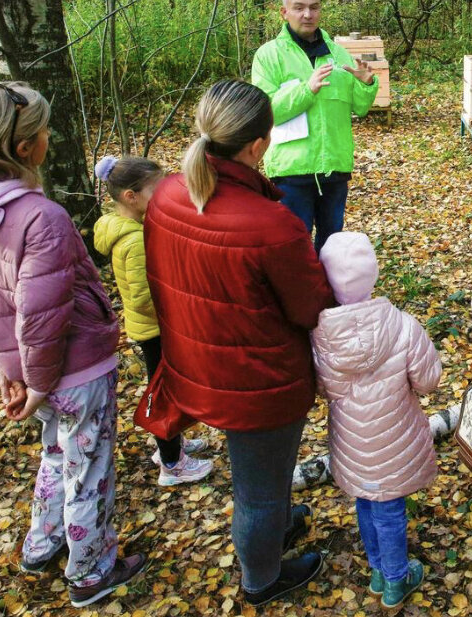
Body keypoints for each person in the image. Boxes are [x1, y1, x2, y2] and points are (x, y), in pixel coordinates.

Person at [0, 83, 146, 608]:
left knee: (57, 455)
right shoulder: (42, 218)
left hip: (36, 375)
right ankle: (92, 571)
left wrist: (3, 366)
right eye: (43, 130)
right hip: (71, 370)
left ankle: (42, 542)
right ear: (26, 146)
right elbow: (42, 316)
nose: (49, 137)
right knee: (89, 469)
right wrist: (30, 379)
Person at [144, 80, 336, 607]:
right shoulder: (270, 224)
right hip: (259, 381)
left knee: (259, 479)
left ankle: (272, 527)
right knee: (260, 491)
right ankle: (262, 578)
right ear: (257, 146)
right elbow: (311, 307)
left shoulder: (165, 193)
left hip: (197, 363)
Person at [312, 231, 442, 611]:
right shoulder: (402, 325)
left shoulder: (321, 334)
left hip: (352, 440)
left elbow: (324, 387)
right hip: (396, 436)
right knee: (390, 510)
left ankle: (378, 570)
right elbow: (428, 380)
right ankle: (396, 580)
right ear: (374, 274)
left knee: (367, 502)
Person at [93, 155, 212, 485]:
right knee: (166, 394)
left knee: (169, 389)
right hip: (157, 329)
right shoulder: (134, 240)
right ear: (131, 197)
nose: (164, 197)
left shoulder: (131, 227)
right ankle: (171, 464)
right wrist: (179, 305)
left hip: (155, 327)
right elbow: (144, 297)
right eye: (156, 191)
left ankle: (173, 442)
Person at [250, 0, 379, 250]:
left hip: (335, 167)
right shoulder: (268, 56)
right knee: (293, 246)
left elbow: (360, 107)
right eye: (299, 8)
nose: (307, 14)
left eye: (314, 7)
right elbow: (265, 111)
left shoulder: (338, 54)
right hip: (291, 170)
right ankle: (299, 293)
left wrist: (367, 83)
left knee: (332, 247)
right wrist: (306, 90)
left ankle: (329, 292)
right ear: (284, 12)